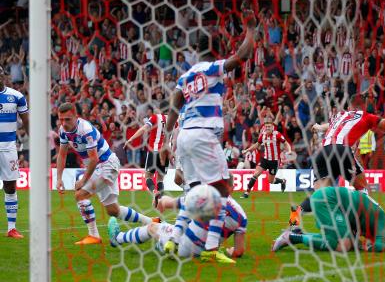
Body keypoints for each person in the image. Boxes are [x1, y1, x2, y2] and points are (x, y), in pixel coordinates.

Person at [159, 6, 256, 257]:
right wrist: (251, 29)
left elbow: (173, 106)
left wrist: (166, 140)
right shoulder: (213, 68)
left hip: (184, 137)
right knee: (224, 190)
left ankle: (174, 240)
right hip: (204, 134)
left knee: (193, 191)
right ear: (216, 49)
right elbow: (242, 56)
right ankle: (213, 249)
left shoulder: (185, 77)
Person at [288, 94, 385, 226]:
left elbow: (330, 125)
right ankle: (368, 224)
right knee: (362, 188)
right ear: (364, 106)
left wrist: (320, 127)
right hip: (341, 150)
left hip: (322, 153)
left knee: (320, 195)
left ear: (349, 106)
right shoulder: (366, 116)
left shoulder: (340, 115)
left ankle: (296, 214)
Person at [56, 103, 158, 245]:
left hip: (106, 165)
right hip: (98, 167)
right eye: (61, 119)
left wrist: (83, 181)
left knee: (80, 195)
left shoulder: (85, 130)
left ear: (75, 116)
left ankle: (94, 235)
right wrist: (59, 178)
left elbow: (94, 159)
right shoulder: (63, 131)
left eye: (67, 119)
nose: (64, 123)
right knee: (113, 210)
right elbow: (62, 155)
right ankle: (151, 221)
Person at [107, 191, 246, 264]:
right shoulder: (241, 215)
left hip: (184, 247)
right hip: (207, 251)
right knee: (177, 227)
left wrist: (162, 200)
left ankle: (117, 238)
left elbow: (169, 203)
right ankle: (162, 243)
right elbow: (239, 251)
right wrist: (230, 251)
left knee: (153, 227)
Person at [272, 187, 385, 253]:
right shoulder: (384, 227)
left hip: (332, 197)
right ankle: (290, 236)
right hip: (330, 200)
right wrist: (366, 247)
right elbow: (382, 246)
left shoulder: (375, 218)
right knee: (343, 245)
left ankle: (296, 232)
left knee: (305, 204)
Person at [0, 66, 29, 238]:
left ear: (4, 76)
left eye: (1, 74)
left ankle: (11, 228)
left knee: (10, 186)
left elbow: (26, 121)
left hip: (9, 147)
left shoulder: (16, 96)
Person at [124, 101, 170, 207]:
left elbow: (144, 129)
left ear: (159, 108)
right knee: (160, 178)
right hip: (166, 152)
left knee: (148, 176)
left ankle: (154, 192)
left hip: (154, 151)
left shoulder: (155, 117)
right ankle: (160, 201)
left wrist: (131, 138)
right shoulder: (173, 120)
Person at [240, 118, 291, 198]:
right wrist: (247, 150)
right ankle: (247, 193)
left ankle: (282, 181)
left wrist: (289, 150)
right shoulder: (263, 135)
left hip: (274, 161)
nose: (267, 128)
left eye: (269, 126)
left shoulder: (277, 134)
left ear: (272, 127)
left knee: (271, 181)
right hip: (265, 159)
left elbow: (286, 143)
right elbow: (257, 144)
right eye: (266, 126)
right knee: (255, 174)